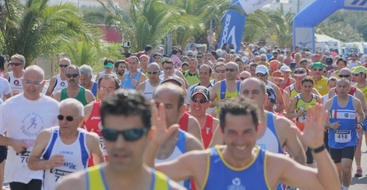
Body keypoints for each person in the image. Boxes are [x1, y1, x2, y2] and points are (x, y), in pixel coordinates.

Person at [147, 95, 340, 190]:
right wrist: (153, 144)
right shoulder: (202, 163)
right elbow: (141, 180)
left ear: (257, 130)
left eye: (246, 132)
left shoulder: (272, 165)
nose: (240, 140)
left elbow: (330, 187)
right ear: (221, 131)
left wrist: (318, 147)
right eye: (232, 132)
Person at [55, 90, 184, 190]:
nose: (120, 144)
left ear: (150, 136)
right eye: (111, 134)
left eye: (132, 134)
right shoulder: (72, 187)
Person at [0, 65, 59, 190]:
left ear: (43, 84)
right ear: (21, 82)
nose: (31, 87)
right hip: (16, 170)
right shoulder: (9, 105)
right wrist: (12, 142)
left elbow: (62, 136)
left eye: (36, 83)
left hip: (42, 169)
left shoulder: (54, 107)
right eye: (27, 82)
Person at [28, 98, 104, 190]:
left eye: (69, 118)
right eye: (60, 117)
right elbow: (31, 163)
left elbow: (100, 164)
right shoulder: (46, 135)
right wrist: (48, 163)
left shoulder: (90, 139)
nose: (64, 122)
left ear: (81, 120)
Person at [153, 84, 203, 189]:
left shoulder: (190, 145)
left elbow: (205, 185)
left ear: (181, 110)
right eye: (157, 105)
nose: (161, 112)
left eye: (168, 106)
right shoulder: (136, 140)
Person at [324, 78, 364, 190]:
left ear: (349, 88)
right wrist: (331, 125)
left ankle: (345, 188)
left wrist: (360, 124)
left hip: (350, 140)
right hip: (334, 141)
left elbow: (361, 115)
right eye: (339, 86)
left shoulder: (355, 102)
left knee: (346, 168)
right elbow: (321, 121)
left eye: (344, 86)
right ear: (336, 88)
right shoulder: (330, 102)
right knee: (338, 169)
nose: (341, 89)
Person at [83, 74, 120, 164]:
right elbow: (74, 137)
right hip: (92, 167)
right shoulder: (88, 109)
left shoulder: (126, 112)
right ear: (98, 90)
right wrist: (87, 137)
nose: (106, 91)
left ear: (118, 90)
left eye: (110, 88)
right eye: (103, 88)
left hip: (117, 168)